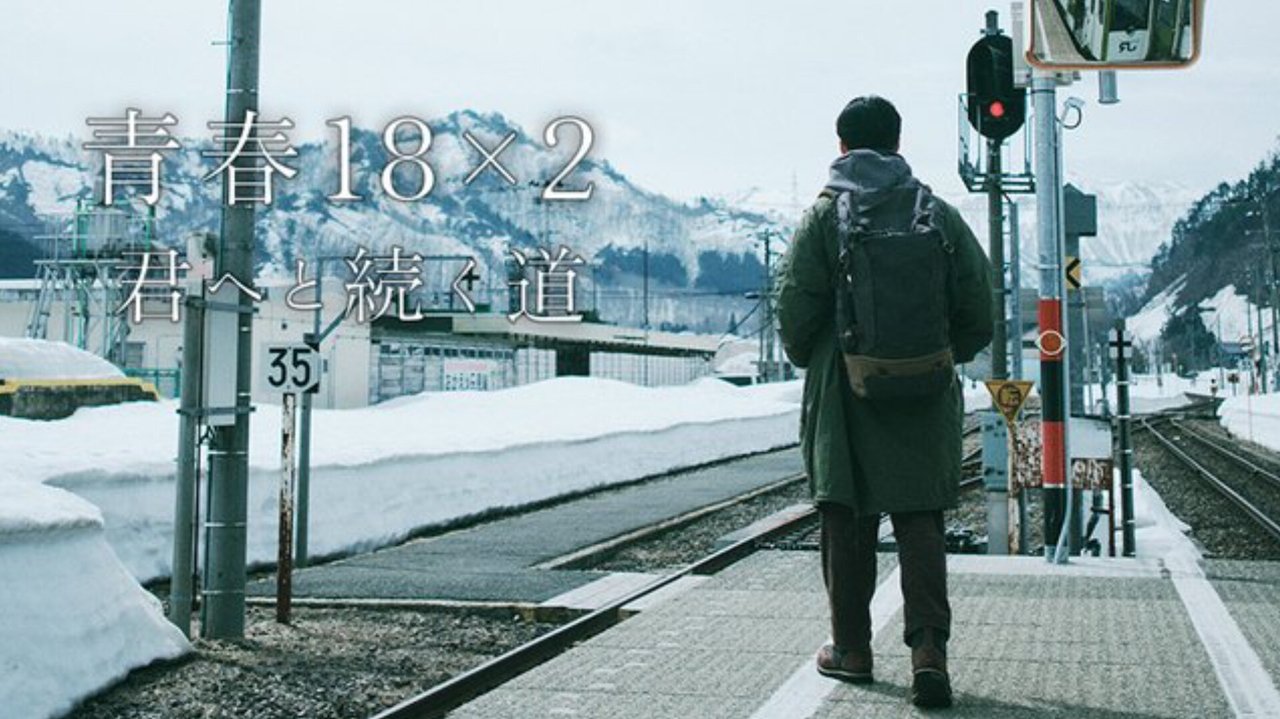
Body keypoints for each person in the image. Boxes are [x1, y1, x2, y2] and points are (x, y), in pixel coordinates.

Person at [775, 95, 994, 709]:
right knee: (920, 518)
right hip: (925, 386)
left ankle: (852, 650)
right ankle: (929, 654)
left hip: (844, 387)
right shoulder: (937, 214)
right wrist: (940, 354)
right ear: (898, 144)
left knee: (846, 517)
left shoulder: (825, 216)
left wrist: (815, 355)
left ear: (842, 145)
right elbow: (979, 305)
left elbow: (794, 307)